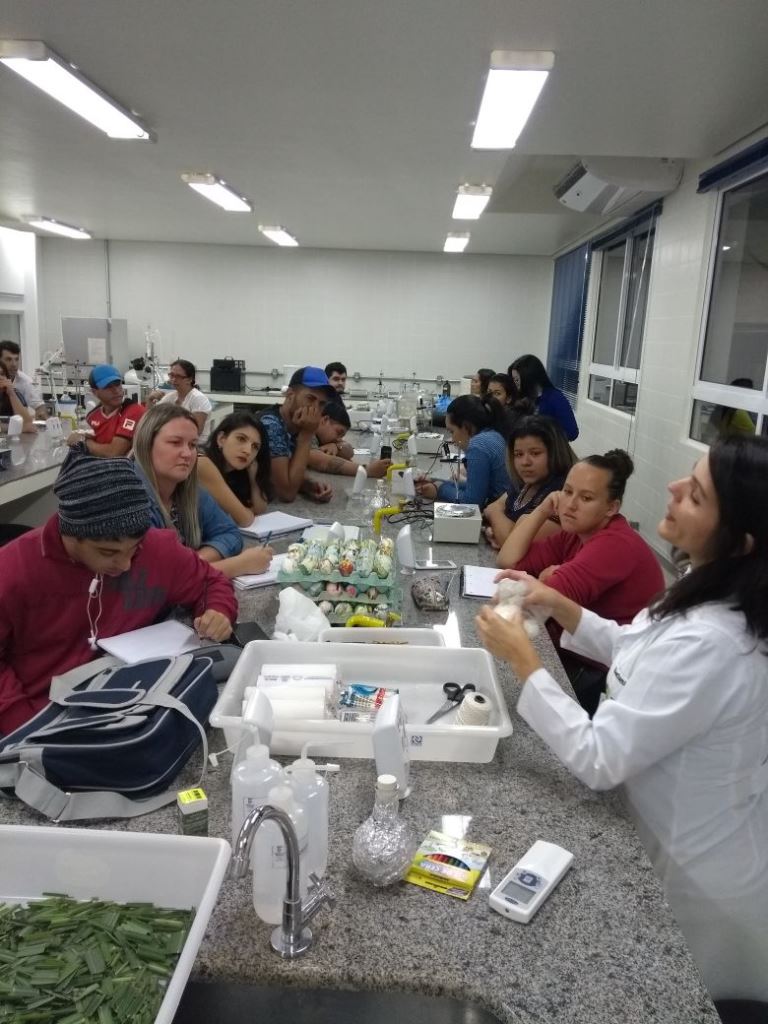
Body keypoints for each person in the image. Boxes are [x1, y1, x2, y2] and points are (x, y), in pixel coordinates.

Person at [476, 435, 768, 1004]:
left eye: (696, 495)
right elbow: (632, 649)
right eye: (688, 477)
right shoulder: (703, 594)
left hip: (698, 883)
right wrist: (556, 603)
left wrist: (524, 659)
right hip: (660, 833)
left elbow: (599, 758)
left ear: (740, 541)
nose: (673, 488)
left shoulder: (716, 643)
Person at [0, 450, 236, 735]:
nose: (124, 564)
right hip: (41, 711)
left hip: (133, 697)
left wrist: (217, 610)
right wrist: (26, 727)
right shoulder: (13, 570)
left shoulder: (157, 548)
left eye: (134, 550)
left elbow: (210, 582)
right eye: (108, 552)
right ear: (70, 534)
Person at [496, 449, 664, 712]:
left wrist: (544, 580)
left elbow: (541, 602)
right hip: (577, 651)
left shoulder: (615, 543)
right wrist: (541, 510)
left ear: (611, 508)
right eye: (567, 491)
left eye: (586, 498)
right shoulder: (575, 532)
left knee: (509, 700)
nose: (570, 504)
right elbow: (508, 561)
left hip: (608, 674)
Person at [131, 405, 273, 579]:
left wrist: (191, 564)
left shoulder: (190, 489)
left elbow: (231, 534)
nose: (187, 454)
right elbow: (156, 578)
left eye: (192, 445)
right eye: (175, 443)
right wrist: (236, 565)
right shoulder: (130, 499)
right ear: (146, 443)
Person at [483, 415, 575, 551]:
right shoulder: (524, 483)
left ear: (555, 453)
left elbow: (511, 544)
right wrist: (496, 527)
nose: (525, 462)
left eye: (535, 453)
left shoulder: (560, 493)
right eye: (518, 454)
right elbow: (495, 506)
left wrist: (494, 514)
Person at [415, 395, 512, 508]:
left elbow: (471, 502)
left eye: (452, 431)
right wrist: (436, 481)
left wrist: (439, 489)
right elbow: (477, 487)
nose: (452, 440)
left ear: (466, 426)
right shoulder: (492, 435)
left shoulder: (478, 446)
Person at [257, 366, 336, 503]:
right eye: (310, 398)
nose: (315, 408)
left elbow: (282, 473)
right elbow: (286, 494)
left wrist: (307, 485)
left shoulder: (294, 424)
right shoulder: (271, 424)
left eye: (322, 403)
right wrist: (307, 435)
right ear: (290, 395)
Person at [197, 412, 272, 527]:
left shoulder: (237, 474)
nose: (247, 451)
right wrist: (244, 512)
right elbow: (245, 519)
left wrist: (253, 479)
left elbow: (259, 510)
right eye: (241, 439)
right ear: (221, 439)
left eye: (255, 446)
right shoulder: (202, 463)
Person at [66, 364, 146, 457]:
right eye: (108, 386)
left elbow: (114, 452)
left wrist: (83, 443)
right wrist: (78, 438)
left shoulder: (134, 411)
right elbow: (79, 437)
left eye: (118, 384)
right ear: (94, 392)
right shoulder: (92, 416)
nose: (116, 390)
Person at [307, 400, 391, 479]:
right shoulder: (307, 430)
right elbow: (322, 462)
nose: (338, 439)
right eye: (338, 432)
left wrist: (336, 446)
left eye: (341, 436)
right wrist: (367, 470)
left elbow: (349, 451)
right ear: (325, 420)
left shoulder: (326, 438)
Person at [508, 354, 578, 441]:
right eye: (514, 380)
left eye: (517, 380)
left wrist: (545, 436)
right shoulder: (521, 399)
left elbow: (572, 432)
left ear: (528, 378)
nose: (515, 384)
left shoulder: (555, 398)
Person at [149, 359, 213, 440]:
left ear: (189, 379)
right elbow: (151, 419)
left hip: (197, 445)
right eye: (171, 375)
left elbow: (195, 431)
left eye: (178, 376)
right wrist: (150, 400)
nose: (173, 379)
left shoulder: (198, 399)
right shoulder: (171, 397)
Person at [0, 340, 47, 419]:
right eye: (8, 359)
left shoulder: (25, 382)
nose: (14, 364)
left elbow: (40, 409)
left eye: (16, 359)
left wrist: (40, 416)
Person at [0, 361, 36, 432]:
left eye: (2, 374)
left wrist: (11, 393)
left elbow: (28, 424)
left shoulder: (15, 393)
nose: (0, 377)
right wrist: (17, 428)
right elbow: (24, 427)